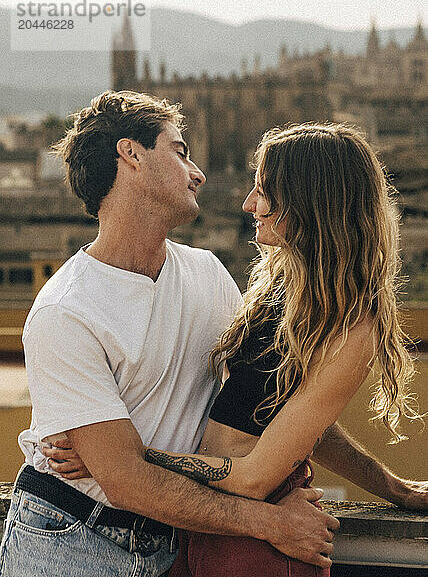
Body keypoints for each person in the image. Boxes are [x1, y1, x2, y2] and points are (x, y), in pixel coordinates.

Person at [49, 121, 428, 577]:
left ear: (312, 200)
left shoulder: (351, 326)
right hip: (206, 528)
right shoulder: (280, 290)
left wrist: (124, 458)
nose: (249, 204)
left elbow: (254, 476)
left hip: (259, 535)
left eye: (265, 191)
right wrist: (395, 487)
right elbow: (291, 422)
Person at [0, 91, 340, 577]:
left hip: (172, 541)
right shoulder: (66, 309)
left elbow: (277, 400)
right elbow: (125, 482)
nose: (198, 172)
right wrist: (269, 524)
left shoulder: (207, 274)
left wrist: (390, 486)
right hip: (72, 541)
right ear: (131, 154)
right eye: (180, 151)